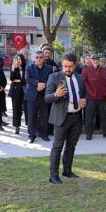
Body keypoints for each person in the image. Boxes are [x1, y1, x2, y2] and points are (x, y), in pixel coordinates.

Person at [45, 53, 86, 184]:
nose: (67, 69)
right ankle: (53, 176)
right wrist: (56, 94)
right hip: (61, 118)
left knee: (71, 146)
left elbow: (84, 95)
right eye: (65, 66)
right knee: (57, 147)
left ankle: (67, 171)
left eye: (70, 66)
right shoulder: (54, 77)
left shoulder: (80, 78)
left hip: (76, 117)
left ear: (75, 65)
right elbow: (47, 98)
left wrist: (84, 101)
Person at [25, 50, 52, 143]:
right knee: (32, 117)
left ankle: (44, 134)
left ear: (43, 58)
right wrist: (38, 84)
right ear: (34, 58)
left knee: (44, 116)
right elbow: (27, 79)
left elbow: (50, 79)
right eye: (37, 57)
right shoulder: (29, 67)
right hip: (32, 95)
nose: (39, 59)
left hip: (44, 95)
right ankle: (31, 136)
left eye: (40, 57)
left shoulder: (48, 68)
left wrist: (43, 85)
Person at [83, 54, 106, 139]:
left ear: (99, 60)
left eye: (97, 59)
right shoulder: (86, 70)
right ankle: (88, 134)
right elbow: (83, 83)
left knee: (104, 116)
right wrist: (88, 94)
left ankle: (105, 133)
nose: (95, 60)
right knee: (89, 117)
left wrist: (105, 93)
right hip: (90, 98)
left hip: (101, 98)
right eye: (93, 59)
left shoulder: (104, 70)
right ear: (90, 61)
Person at [9, 53, 26, 134]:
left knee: (26, 108)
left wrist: (19, 80)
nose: (18, 61)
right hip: (15, 90)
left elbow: (25, 80)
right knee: (16, 109)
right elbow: (12, 79)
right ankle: (17, 126)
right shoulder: (13, 68)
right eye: (17, 59)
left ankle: (29, 124)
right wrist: (13, 68)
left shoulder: (26, 68)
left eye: (19, 59)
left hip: (24, 90)